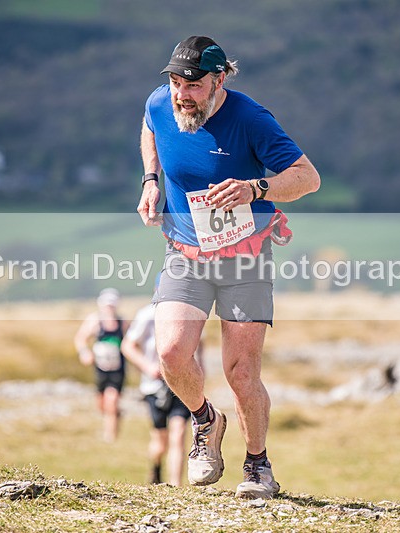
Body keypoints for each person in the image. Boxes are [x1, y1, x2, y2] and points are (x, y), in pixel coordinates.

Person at [136, 36, 320, 499]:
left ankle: (257, 466)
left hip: (246, 256)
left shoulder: (251, 119)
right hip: (185, 253)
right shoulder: (161, 104)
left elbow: (307, 178)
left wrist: (255, 189)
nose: (182, 93)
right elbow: (149, 128)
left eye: (194, 85)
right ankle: (205, 421)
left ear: (219, 80)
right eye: (177, 82)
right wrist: (151, 180)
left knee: (241, 371)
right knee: (172, 355)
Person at [121, 292, 204, 486]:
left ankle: (176, 485)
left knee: (179, 433)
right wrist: (148, 367)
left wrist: (199, 378)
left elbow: (200, 348)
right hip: (154, 386)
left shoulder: (191, 314)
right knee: (160, 441)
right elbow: (128, 345)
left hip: (180, 383)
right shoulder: (146, 315)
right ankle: (156, 468)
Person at [74, 288, 129, 443]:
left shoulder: (122, 322)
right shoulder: (94, 321)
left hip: (118, 368)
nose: (109, 308)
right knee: (102, 403)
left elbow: (131, 342)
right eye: (106, 305)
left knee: (112, 399)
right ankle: (116, 415)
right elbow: (80, 339)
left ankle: (110, 436)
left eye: (112, 305)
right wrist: (85, 353)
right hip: (100, 367)